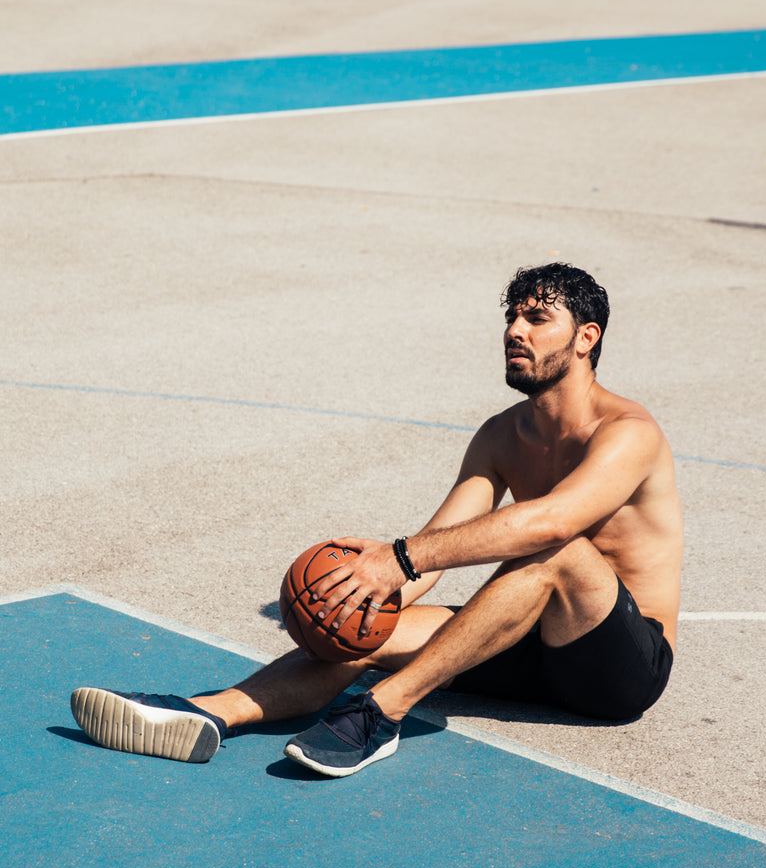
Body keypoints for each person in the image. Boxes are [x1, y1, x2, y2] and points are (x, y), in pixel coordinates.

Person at [71, 263, 683, 777]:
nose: (514, 331)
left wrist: (402, 556)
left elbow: (549, 523)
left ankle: (379, 714)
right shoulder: (501, 436)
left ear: (585, 338)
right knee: (367, 628)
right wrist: (361, 596)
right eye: (511, 318)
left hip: (620, 669)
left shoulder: (628, 433)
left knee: (557, 550)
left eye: (536, 319)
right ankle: (208, 712)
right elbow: (432, 552)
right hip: (530, 649)